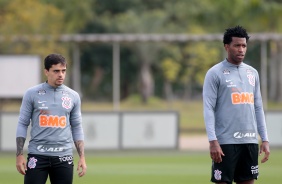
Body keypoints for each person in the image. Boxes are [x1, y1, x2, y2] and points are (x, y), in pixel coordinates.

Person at [203, 26, 270, 184]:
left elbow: (258, 107)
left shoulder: (252, 73)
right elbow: (208, 108)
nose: (241, 49)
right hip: (225, 143)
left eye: (244, 45)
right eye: (237, 45)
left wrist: (265, 139)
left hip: (249, 142)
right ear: (227, 46)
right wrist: (213, 141)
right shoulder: (215, 73)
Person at [16, 53, 87, 184]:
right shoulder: (32, 94)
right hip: (37, 155)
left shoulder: (73, 96)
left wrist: (82, 157)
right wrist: (19, 155)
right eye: (56, 71)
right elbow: (22, 123)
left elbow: (76, 126)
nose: (61, 74)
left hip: (64, 157)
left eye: (63, 71)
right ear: (46, 72)